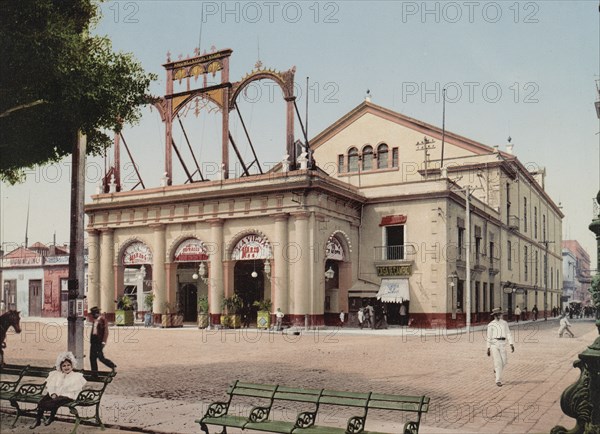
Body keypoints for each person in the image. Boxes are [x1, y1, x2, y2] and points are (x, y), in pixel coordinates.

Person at [30, 351, 86, 428]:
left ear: (72, 365)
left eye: (68, 365)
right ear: (60, 367)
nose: (66, 367)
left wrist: (62, 395)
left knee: (55, 402)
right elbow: (51, 386)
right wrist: (53, 393)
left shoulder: (75, 376)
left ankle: (51, 417)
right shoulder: (57, 375)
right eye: (64, 366)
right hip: (56, 394)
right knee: (42, 401)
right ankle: (38, 420)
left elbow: (76, 389)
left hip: (67, 396)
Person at [486, 308, 515, 387]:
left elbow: (508, 333)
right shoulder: (491, 324)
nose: (498, 316)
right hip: (494, 344)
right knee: (498, 362)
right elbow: (489, 337)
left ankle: (496, 370)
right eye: (496, 315)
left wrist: (511, 344)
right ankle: (498, 380)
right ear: (494, 316)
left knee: (504, 361)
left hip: (503, 343)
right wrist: (488, 348)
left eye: (499, 314)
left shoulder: (504, 323)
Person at [89, 306, 117, 372]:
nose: (92, 315)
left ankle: (112, 365)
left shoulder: (103, 320)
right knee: (92, 358)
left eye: (93, 314)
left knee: (100, 357)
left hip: (99, 341)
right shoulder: (95, 320)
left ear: (97, 313)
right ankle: (94, 373)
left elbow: (105, 332)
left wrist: (103, 342)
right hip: (93, 341)